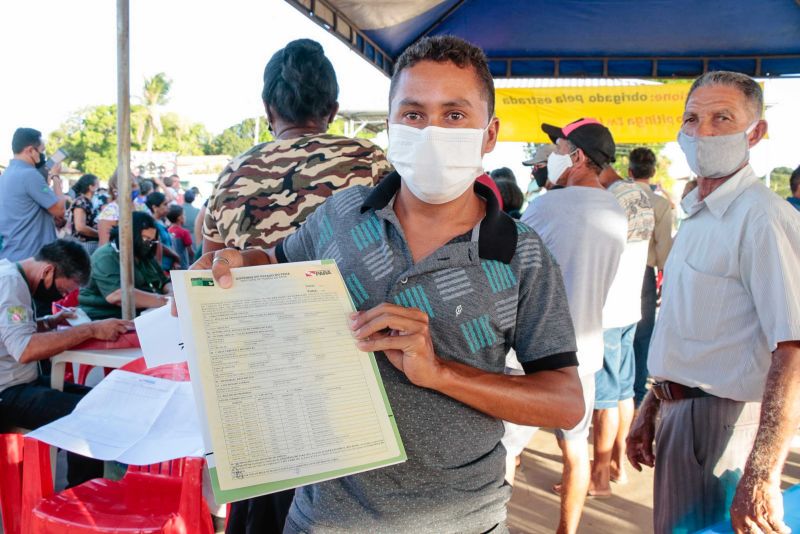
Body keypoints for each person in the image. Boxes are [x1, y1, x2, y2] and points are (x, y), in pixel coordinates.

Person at [196, 35, 584, 534]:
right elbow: (271, 261)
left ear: (489, 134)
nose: (432, 131)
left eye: (454, 115)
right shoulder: (339, 213)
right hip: (322, 519)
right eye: (414, 114)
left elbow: (565, 402)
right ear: (391, 126)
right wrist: (236, 262)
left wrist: (441, 372)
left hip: (462, 521)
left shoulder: (520, 253)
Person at [626, 71, 800, 534]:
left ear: (756, 132)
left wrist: (763, 471)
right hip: (684, 414)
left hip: (723, 426)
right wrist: (654, 402)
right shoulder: (700, 213)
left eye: (722, 118)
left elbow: (792, 347)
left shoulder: (760, 217)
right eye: (692, 119)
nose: (702, 131)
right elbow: (688, 325)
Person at [520, 118, 627, 534]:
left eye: (559, 149)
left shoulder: (547, 206)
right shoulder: (616, 211)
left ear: (578, 157)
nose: (553, 157)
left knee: (508, 448)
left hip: (532, 352)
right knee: (575, 450)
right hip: (584, 354)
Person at [0, 239, 131, 486]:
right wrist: (90, 329)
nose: (63, 296)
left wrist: (48, 322)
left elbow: (9, 330)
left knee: (99, 399)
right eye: (62, 291)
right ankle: (82, 497)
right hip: (7, 393)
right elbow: (24, 349)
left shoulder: (11, 276)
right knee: (92, 417)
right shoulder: (10, 284)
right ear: (48, 271)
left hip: (21, 383)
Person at [590, 163, 654, 496]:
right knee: (624, 392)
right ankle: (617, 466)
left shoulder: (611, 200)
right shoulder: (638, 195)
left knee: (604, 400)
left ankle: (599, 477)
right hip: (630, 308)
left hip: (609, 312)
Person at [628, 147, 674, 408]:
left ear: (629, 171)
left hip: (615, 270)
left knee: (616, 332)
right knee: (642, 335)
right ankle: (635, 393)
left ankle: (615, 391)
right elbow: (664, 249)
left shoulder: (616, 197)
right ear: (653, 172)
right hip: (644, 272)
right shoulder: (660, 203)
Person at [79, 212, 172, 320]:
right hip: (106, 318)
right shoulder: (105, 256)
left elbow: (164, 281)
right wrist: (166, 300)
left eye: (152, 241)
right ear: (130, 235)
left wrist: (171, 293)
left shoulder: (143, 255)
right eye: (145, 239)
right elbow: (118, 295)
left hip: (145, 314)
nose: (148, 244)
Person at [0, 128, 67, 262]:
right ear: (30, 150)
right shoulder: (29, 175)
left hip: (12, 253)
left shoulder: (7, 174)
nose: (42, 155)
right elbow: (60, 210)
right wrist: (55, 176)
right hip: (31, 258)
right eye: (41, 151)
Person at [145, 191, 180, 271]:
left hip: (169, 267)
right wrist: (175, 256)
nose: (168, 207)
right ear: (154, 207)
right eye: (165, 204)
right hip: (161, 268)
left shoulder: (161, 222)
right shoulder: (152, 224)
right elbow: (159, 245)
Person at [70, 174, 101, 256]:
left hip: (89, 244)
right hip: (84, 245)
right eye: (97, 184)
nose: (99, 186)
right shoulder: (81, 202)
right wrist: (99, 233)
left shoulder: (88, 202)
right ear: (91, 187)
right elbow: (80, 227)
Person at [167, 205, 192, 269]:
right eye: (184, 215)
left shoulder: (167, 231)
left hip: (171, 265)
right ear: (179, 218)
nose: (185, 217)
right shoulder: (184, 232)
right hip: (183, 264)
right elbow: (190, 251)